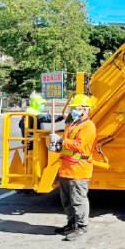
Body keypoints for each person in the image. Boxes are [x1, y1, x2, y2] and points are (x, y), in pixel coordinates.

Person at [49, 94, 96, 240]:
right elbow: (67, 146)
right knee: (67, 201)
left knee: (78, 200)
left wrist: (60, 140)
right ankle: (71, 224)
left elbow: (78, 145)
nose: (73, 110)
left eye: (76, 108)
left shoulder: (88, 126)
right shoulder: (73, 125)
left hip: (79, 170)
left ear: (85, 110)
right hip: (67, 169)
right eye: (73, 108)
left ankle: (81, 227)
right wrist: (56, 146)